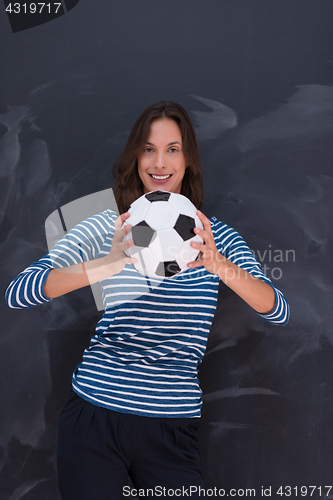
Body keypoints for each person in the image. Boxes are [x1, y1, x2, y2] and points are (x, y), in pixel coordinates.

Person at [6, 101, 289, 499]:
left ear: (188, 158)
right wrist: (104, 266)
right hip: (96, 416)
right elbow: (19, 291)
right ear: (134, 155)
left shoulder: (214, 236)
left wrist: (218, 264)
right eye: (148, 148)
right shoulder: (110, 225)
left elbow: (277, 309)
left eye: (173, 149)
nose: (160, 162)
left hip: (172, 429)